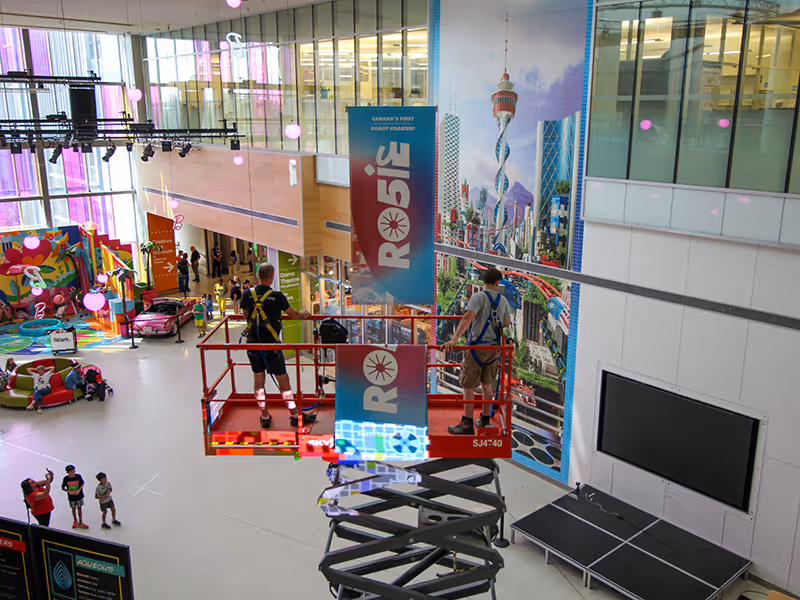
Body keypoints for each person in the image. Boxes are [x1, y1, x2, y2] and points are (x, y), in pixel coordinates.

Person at [242, 262, 313, 429]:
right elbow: (294, 315)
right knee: (283, 380)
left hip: (253, 345)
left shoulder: (247, 294)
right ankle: (294, 414)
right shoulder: (278, 296)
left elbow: (246, 314)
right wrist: (304, 314)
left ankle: (265, 415)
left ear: (258, 276)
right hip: (272, 346)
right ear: (271, 276)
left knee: (258, 380)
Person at [442, 267, 512, 435]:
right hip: (494, 350)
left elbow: (467, 319)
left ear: (483, 281)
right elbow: (507, 324)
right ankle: (485, 419)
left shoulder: (477, 297)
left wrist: (454, 339)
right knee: (487, 385)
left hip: (476, 348)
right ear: (497, 283)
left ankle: (467, 424)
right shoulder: (503, 301)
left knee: (468, 386)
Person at [61, 465, 88, 529]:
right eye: (71, 472)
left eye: (73, 471)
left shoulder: (78, 476)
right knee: (73, 508)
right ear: (68, 472)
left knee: (79, 508)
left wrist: (79, 490)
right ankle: (75, 520)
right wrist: (70, 491)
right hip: (71, 497)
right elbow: (63, 487)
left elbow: (82, 483)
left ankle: (80, 521)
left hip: (79, 496)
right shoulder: (66, 479)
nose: (73, 473)